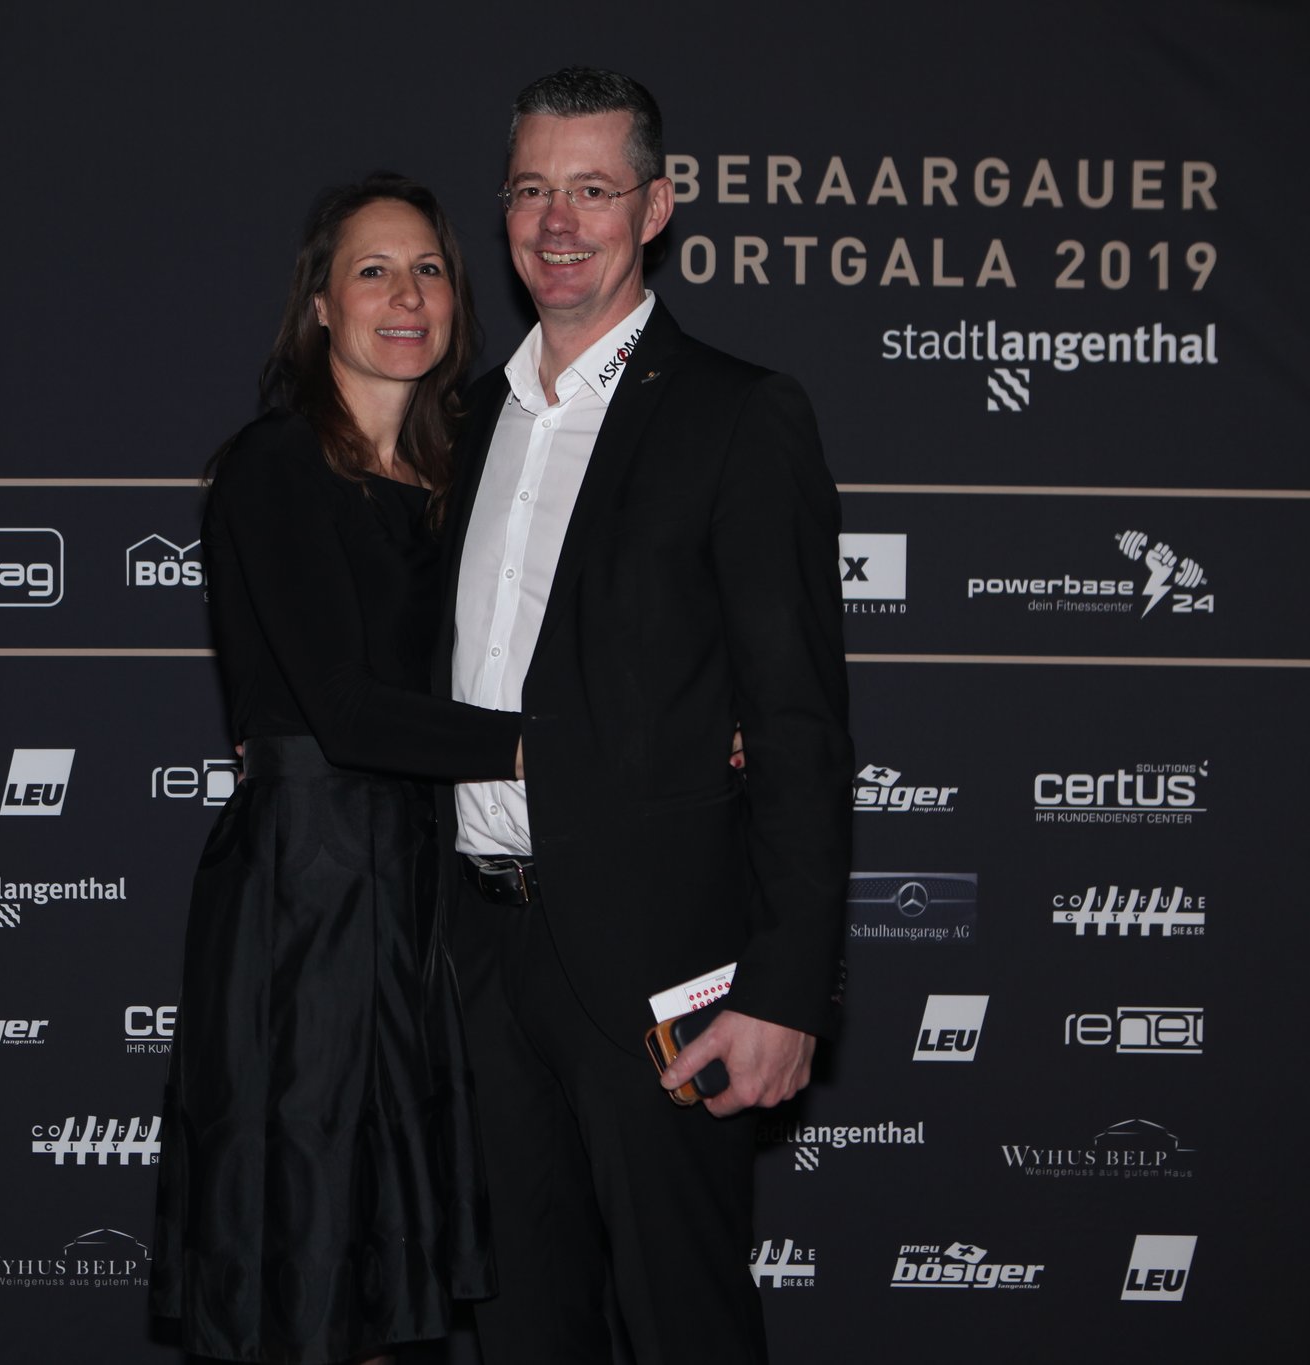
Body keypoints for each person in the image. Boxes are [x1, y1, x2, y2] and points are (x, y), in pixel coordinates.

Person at [437, 68, 854, 1364]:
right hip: (471, 958)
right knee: (516, 1329)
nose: (558, 223)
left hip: (659, 968)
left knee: (685, 1326)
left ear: (656, 208)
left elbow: (796, 721)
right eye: (531, 190)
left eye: (593, 190)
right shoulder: (459, 423)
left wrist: (787, 991)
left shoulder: (737, 413)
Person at [150, 174, 525, 1365]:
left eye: (428, 271)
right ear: (319, 303)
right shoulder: (274, 465)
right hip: (307, 891)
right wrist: (552, 746)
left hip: (415, 880)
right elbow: (349, 711)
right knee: (302, 1246)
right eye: (372, 271)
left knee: (383, 1275)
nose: (405, 296)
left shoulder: (461, 488)